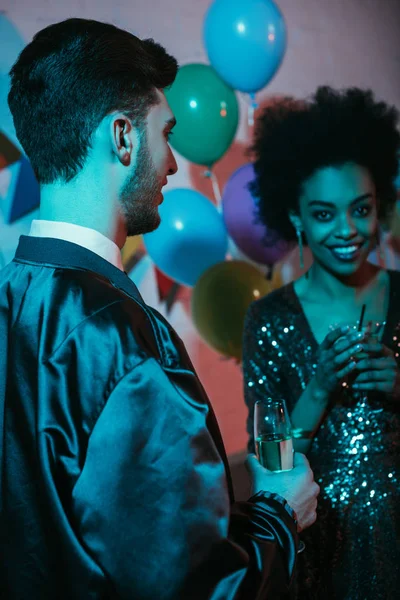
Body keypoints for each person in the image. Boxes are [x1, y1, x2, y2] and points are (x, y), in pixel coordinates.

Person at [0, 18, 319, 600]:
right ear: (122, 138)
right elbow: (189, 586)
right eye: (164, 133)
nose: (172, 161)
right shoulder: (123, 342)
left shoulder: (9, 295)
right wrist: (280, 514)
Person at [242, 86, 400, 599]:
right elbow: (270, 466)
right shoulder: (269, 318)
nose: (349, 230)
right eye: (325, 214)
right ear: (295, 216)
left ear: (380, 205)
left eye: (361, 208)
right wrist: (320, 386)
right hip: (324, 547)